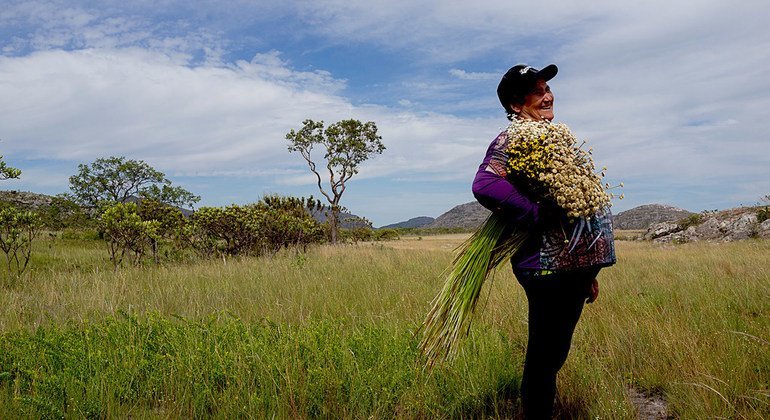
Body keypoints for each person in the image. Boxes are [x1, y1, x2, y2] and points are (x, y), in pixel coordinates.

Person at [472, 64, 616, 419]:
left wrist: (589, 273)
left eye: (548, 88)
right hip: (547, 267)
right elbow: (485, 184)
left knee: (554, 353)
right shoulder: (515, 139)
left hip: (572, 270)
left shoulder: (549, 137)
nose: (548, 95)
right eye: (538, 91)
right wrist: (536, 214)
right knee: (544, 356)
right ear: (518, 105)